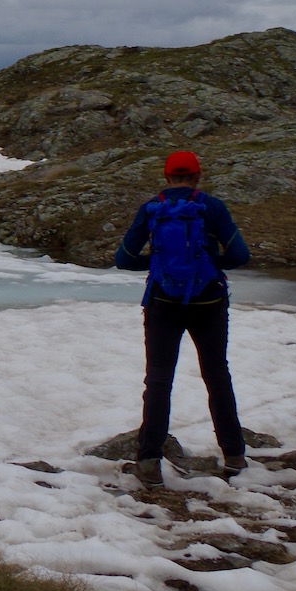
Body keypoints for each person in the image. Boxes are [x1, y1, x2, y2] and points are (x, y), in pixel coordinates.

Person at [113, 150, 252, 486]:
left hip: (162, 302)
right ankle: (233, 456)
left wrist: (158, 262)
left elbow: (124, 259)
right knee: (217, 375)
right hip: (209, 301)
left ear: (166, 177)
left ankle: (149, 462)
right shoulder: (212, 207)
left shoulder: (152, 209)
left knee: (159, 380)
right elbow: (239, 255)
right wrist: (206, 261)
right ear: (197, 177)